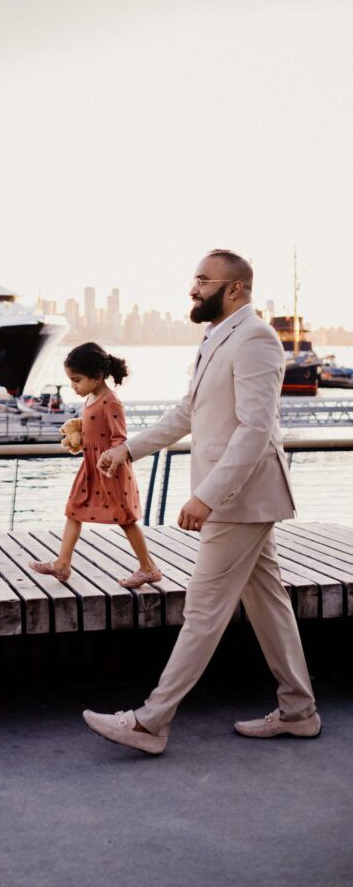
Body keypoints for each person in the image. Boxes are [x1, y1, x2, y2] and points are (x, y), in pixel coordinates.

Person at [82, 250, 319, 756]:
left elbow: (256, 430)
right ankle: (300, 711)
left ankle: (150, 723)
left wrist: (207, 497)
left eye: (202, 280)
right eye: (193, 278)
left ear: (234, 289)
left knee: (203, 609)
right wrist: (127, 449)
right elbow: (189, 410)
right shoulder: (218, 337)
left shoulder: (255, 338)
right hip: (245, 501)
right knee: (270, 606)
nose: (192, 288)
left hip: (239, 499)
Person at [28, 342, 161, 588]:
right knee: (73, 509)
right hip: (89, 467)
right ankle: (62, 564)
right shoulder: (91, 396)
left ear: (98, 377)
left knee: (125, 518)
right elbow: (92, 424)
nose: (73, 386)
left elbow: (119, 437)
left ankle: (148, 568)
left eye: (76, 380)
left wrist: (109, 455)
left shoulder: (111, 401)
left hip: (109, 469)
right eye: (71, 380)